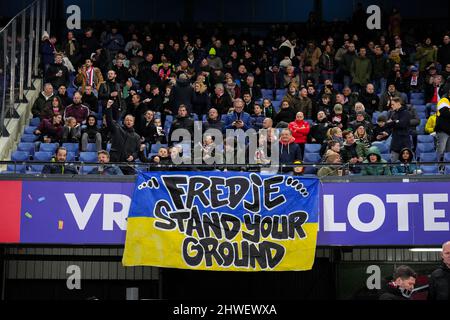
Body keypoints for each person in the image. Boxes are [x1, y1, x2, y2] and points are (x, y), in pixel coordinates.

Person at [105, 99, 141, 175]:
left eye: (130, 120)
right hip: (115, 162)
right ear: (124, 121)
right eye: (127, 120)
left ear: (133, 123)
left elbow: (138, 151)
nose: (128, 122)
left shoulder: (137, 137)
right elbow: (109, 121)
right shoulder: (117, 129)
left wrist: (133, 157)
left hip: (128, 165)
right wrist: (108, 108)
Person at [385, 97, 412, 162]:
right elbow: (387, 124)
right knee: (394, 164)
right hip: (395, 143)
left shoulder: (406, 113)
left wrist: (393, 122)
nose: (391, 106)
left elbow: (402, 124)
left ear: (398, 103)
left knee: (406, 165)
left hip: (404, 143)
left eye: (393, 104)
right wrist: (395, 121)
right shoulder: (393, 114)